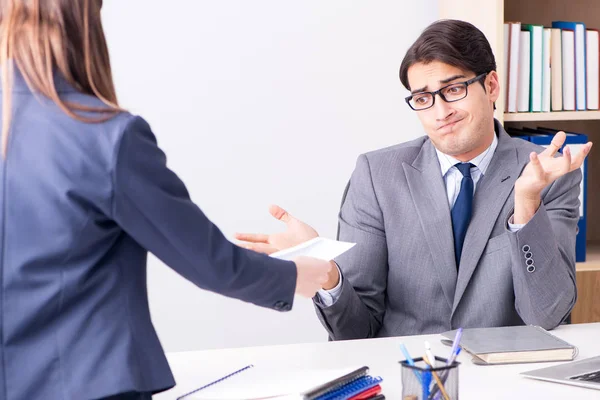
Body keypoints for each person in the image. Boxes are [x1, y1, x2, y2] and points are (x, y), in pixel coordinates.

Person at [0, 1, 332, 399]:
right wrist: (308, 273)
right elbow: (212, 264)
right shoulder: (105, 136)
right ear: (82, 24)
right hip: (91, 385)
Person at [236, 19, 593, 341]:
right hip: (405, 377)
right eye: (423, 98)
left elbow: (547, 316)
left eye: (453, 90)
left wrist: (527, 206)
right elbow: (356, 331)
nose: (441, 113)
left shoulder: (548, 175)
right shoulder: (377, 175)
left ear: (492, 85)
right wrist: (326, 273)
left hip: (502, 382)